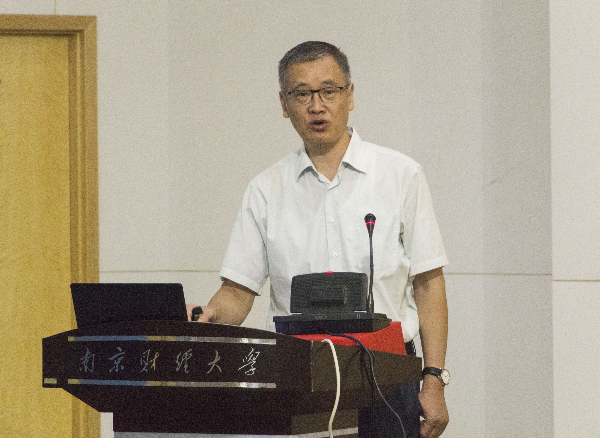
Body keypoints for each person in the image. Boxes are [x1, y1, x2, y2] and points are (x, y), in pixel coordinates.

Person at [188, 41, 449, 438]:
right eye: (301, 94)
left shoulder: (400, 175)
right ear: (283, 103)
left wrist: (434, 378)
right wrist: (209, 316)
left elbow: (428, 283)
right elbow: (238, 292)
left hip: (387, 372)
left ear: (350, 95)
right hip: (297, 375)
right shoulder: (266, 189)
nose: (316, 106)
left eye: (329, 91)